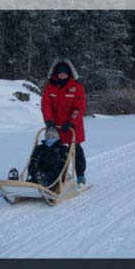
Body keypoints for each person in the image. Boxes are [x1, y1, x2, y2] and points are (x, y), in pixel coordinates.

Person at [41, 59, 87, 188]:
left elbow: (79, 107)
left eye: (64, 73)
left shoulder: (77, 87)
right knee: (51, 151)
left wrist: (71, 122)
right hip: (54, 127)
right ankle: (53, 176)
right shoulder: (50, 87)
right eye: (59, 73)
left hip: (72, 127)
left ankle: (80, 177)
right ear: (55, 74)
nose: (61, 75)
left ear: (69, 73)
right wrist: (49, 120)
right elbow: (46, 105)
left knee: (76, 151)